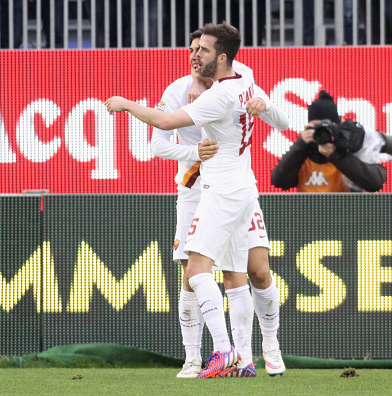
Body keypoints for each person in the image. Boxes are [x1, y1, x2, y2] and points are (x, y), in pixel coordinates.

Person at [106, 22, 282, 379]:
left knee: (240, 272)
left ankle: (241, 353)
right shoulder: (183, 88)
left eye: (201, 50)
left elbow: (168, 121)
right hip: (199, 190)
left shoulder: (226, 88)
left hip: (225, 190)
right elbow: (158, 143)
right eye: (192, 50)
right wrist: (194, 152)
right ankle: (198, 358)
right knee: (197, 273)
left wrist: (126, 104)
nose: (193, 56)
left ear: (220, 57)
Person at [271, 90, 392, 192]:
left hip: (343, 218)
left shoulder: (348, 152)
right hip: (308, 220)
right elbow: (279, 181)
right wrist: (300, 145)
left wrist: (336, 155)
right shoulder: (301, 156)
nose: (321, 134)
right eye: (315, 128)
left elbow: (375, 183)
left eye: (326, 129)